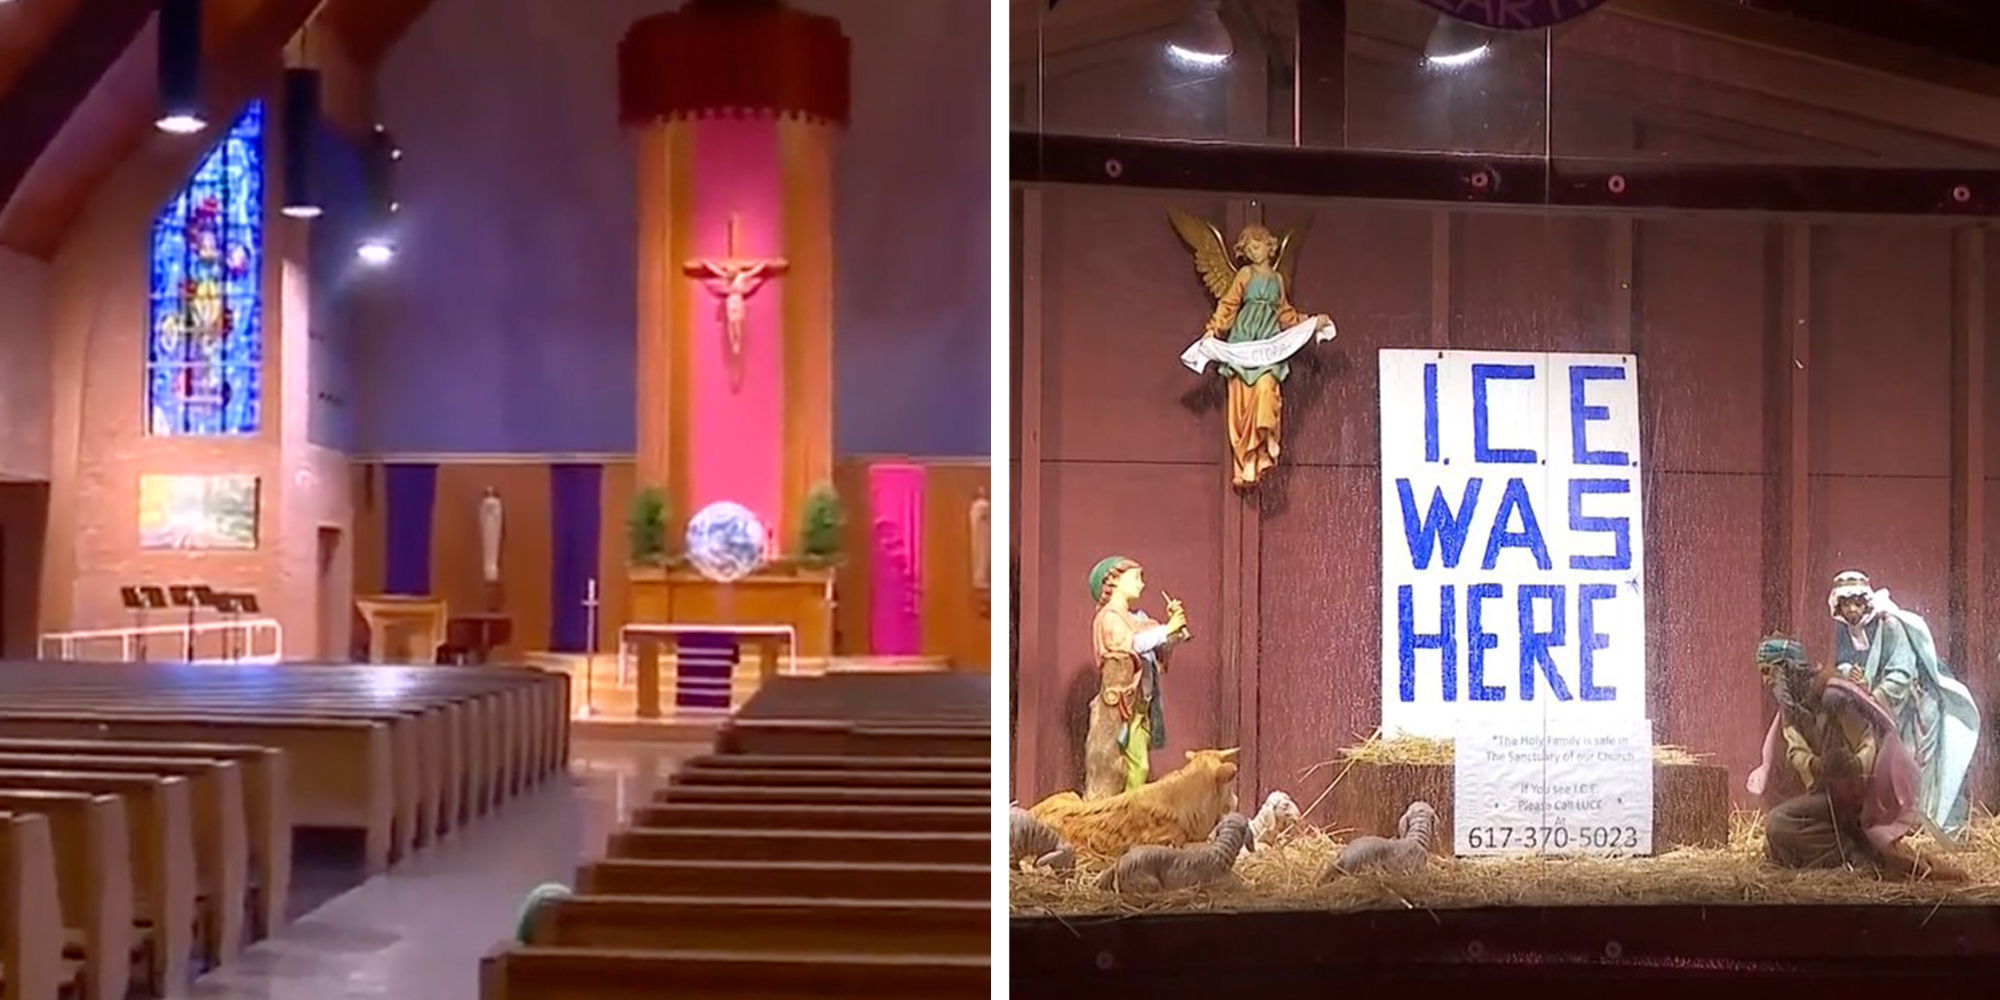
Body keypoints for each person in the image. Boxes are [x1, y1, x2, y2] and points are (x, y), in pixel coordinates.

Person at [1747, 636, 1962, 881]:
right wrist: (1816, 765)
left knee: (1779, 823)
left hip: (1861, 793)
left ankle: (1855, 859)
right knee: (1777, 833)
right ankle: (1847, 855)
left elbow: (1868, 740)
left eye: (1768, 671)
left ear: (1785, 667)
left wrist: (1853, 766)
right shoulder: (1791, 709)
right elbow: (1796, 750)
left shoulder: (1833, 694)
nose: (1766, 681)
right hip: (1828, 789)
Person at [1826, 571, 1980, 834]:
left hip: (1915, 705)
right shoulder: (1845, 628)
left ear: (1866, 602)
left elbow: (1902, 672)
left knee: (1910, 758)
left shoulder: (1889, 626)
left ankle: (1923, 818)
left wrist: (1876, 700)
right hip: (1879, 703)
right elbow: (1844, 660)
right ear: (1837, 607)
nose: (1852, 609)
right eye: (1846, 604)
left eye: (1857, 602)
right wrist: (1847, 671)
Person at [1194, 224, 1330, 489]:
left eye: (1257, 246)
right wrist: (1214, 328)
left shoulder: (1277, 280)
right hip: (1244, 343)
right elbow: (1230, 303)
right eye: (1248, 248)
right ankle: (1249, 459)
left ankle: (1267, 436)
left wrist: (1311, 322)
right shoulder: (1245, 274)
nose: (1253, 252)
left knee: (1267, 387)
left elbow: (1285, 315)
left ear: (1270, 246)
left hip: (1268, 344)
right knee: (1244, 401)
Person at [1084, 556, 1188, 799]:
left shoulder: (1137, 618)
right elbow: (1130, 644)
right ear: (1114, 581)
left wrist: (1175, 628)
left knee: (1137, 767)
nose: (1141, 584)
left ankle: (1130, 810)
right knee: (1122, 766)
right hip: (1120, 706)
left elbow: (1161, 643)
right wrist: (1167, 629)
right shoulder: (1110, 618)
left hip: (1139, 706)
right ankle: (1124, 811)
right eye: (1136, 578)